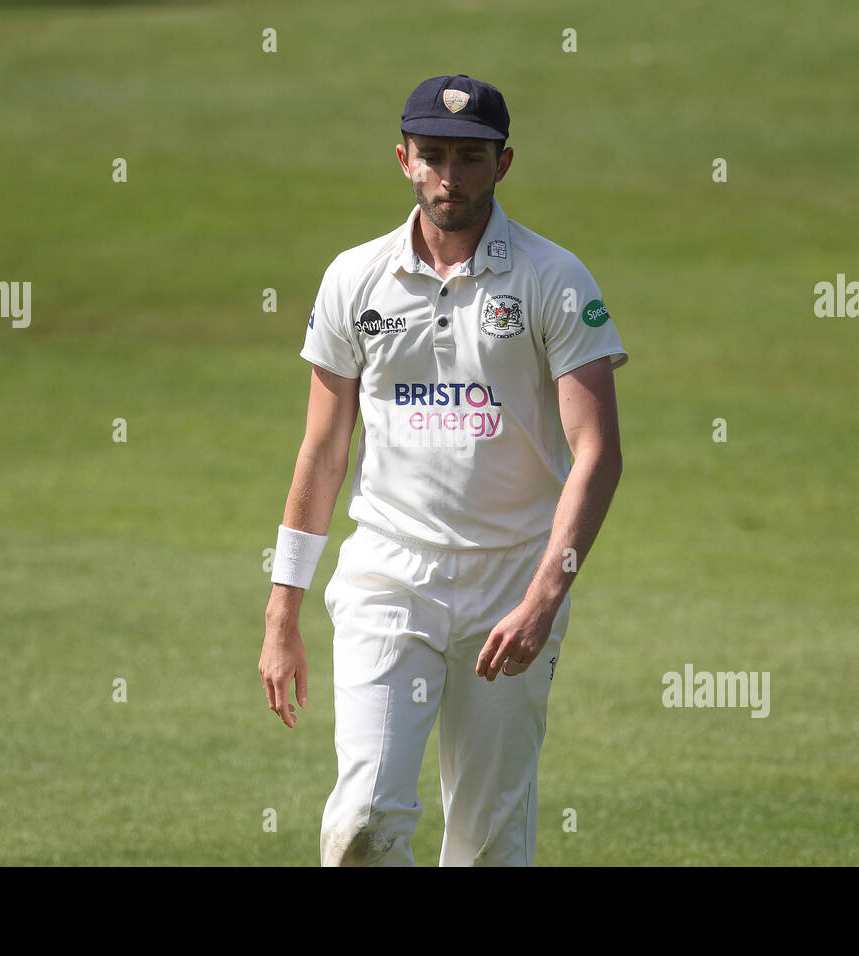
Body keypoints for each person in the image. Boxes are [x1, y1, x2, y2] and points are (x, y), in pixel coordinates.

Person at [259, 74, 627, 866]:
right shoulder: (353, 277)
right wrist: (281, 608)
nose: (450, 177)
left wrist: (544, 596)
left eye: (470, 158)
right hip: (388, 577)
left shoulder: (553, 278)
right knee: (360, 822)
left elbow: (597, 452)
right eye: (433, 157)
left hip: (511, 584)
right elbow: (323, 454)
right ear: (403, 160)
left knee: (489, 848)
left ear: (504, 163)